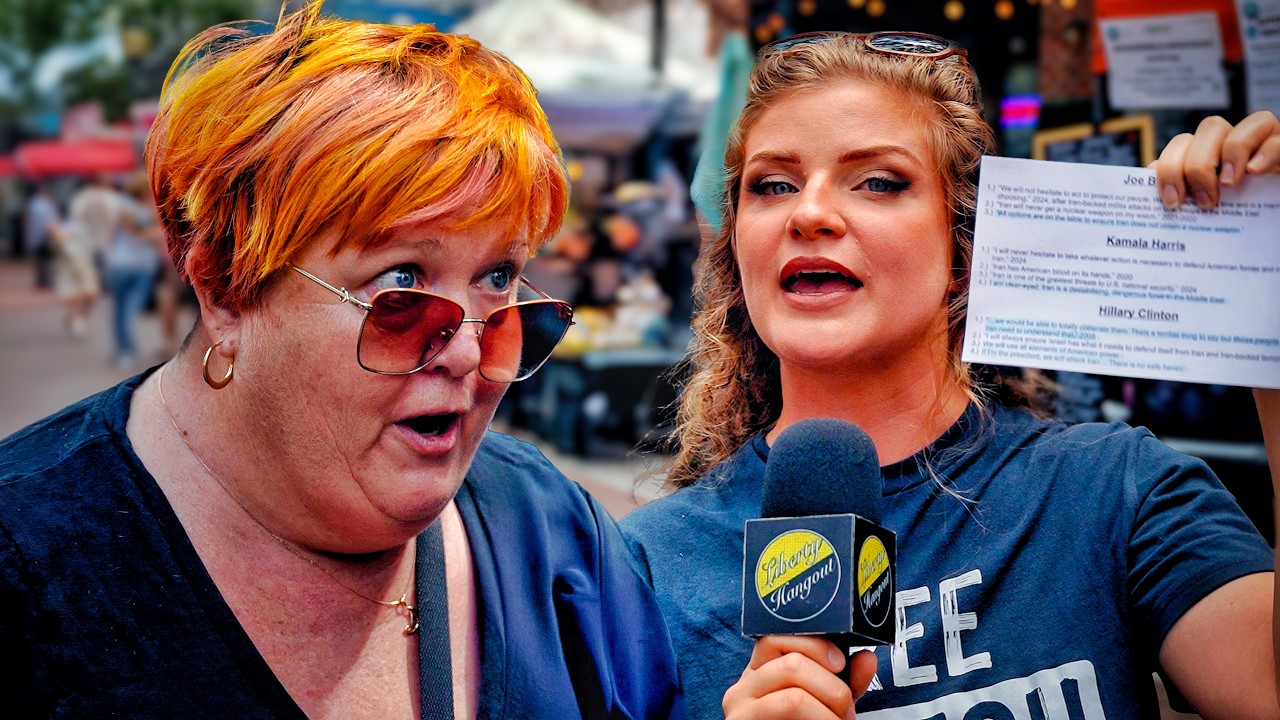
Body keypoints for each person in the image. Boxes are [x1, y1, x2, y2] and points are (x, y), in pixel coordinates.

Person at [0, 4, 681, 718]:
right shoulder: (29, 564)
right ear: (226, 291)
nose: (469, 351)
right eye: (401, 282)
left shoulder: (554, 536)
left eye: (499, 276)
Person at [618, 30, 1280, 720]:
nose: (808, 213)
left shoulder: (1116, 492)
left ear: (964, 247)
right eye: (773, 185)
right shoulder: (645, 566)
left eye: (878, 182)